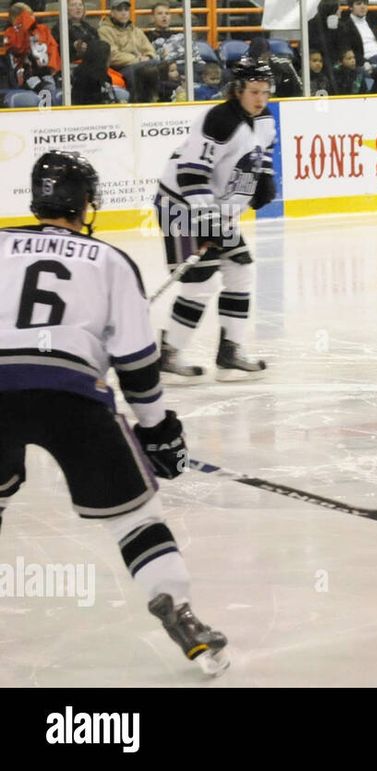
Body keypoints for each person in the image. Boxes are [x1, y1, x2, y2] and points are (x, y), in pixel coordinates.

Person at [0, 151, 229, 676]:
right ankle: (181, 615)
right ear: (87, 204)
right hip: (71, 394)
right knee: (133, 517)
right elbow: (137, 365)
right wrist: (159, 433)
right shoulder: (109, 260)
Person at [155, 59, 277, 383]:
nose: (260, 99)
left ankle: (230, 352)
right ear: (237, 90)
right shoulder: (218, 120)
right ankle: (169, 354)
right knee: (201, 283)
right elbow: (191, 172)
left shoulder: (263, 118)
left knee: (241, 270)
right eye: (254, 91)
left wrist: (265, 176)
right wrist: (207, 220)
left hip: (215, 210)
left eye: (265, 92)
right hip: (179, 206)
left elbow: (263, 150)